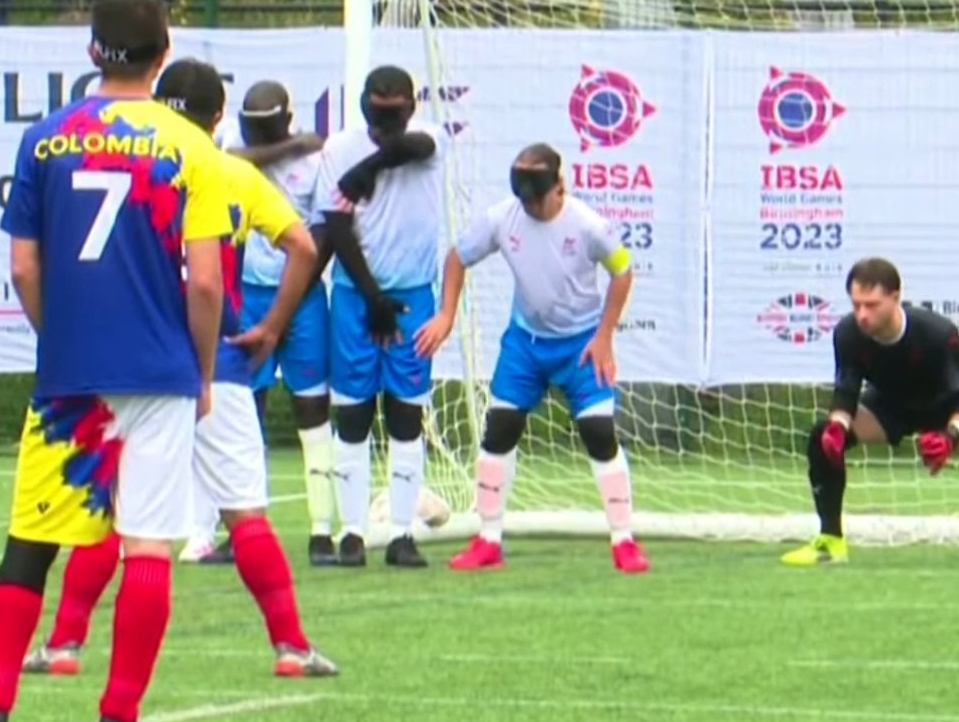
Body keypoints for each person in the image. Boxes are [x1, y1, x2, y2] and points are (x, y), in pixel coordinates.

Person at [0, 0, 231, 722]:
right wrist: (200, 371)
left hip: (70, 376)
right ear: (163, 54)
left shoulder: (45, 138)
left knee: (29, 544)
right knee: (149, 546)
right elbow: (204, 282)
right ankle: (119, 718)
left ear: (92, 53)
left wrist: (58, 333)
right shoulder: (192, 147)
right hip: (157, 370)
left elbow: (24, 267)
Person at [21, 61, 339, 681]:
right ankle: (291, 647)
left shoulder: (135, 160)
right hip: (213, 361)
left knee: (114, 514)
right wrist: (273, 326)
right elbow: (301, 245)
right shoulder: (228, 171)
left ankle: (63, 645)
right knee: (244, 512)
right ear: (220, 115)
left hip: (135, 362)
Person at [421, 143, 648, 574]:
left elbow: (622, 271)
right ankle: (488, 539)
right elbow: (457, 257)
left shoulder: (589, 226)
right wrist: (447, 313)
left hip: (580, 344)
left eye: (538, 199)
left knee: (599, 432)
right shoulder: (502, 218)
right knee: (500, 429)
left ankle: (624, 541)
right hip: (525, 344)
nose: (532, 208)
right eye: (525, 200)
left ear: (561, 186)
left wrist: (604, 336)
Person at [783, 257, 959, 571]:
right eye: (857, 305)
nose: (862, 314)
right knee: (821, 435)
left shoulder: (938, 333)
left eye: (872, 305)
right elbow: (847, 390)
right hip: (892, 404)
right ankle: (830, 540)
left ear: (894, 297)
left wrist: (952, 435)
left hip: (953, 401)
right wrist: (838, 426)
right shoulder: (848, 333)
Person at [183, 80, 338, 567]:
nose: (258, 133)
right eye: (253, 125)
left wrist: (290, 306)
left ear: (286, 118)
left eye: (270, 127)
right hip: (247, 291)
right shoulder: (232, 148)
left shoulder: (318, 164)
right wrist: (290, 143)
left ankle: (321, 529)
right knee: (240, 408)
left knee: (312, 406)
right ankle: (233, 528)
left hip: (303, 293)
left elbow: (322, 233)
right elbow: (241, 157)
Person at [314, 64, 446, 569]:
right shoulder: (337, 148)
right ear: (363, 102)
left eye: (397, 110)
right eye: (378, 108)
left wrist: (369, 169)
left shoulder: (429, 139)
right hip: (355, 296)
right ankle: (352, 533)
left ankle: (402, 532)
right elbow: (337, 225)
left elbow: (416, 149)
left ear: (413, 107)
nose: (387, 119)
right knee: (351, 412)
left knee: (406, 414)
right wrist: (371, 296)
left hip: (413, 296)